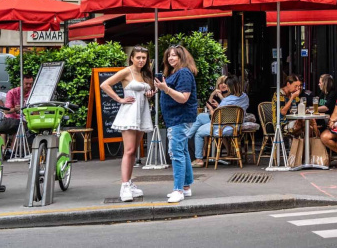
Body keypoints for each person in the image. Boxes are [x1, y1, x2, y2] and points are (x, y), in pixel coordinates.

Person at [101, 46, 155, 202]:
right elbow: (105, 84)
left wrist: (150, 94)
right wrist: (119, 99)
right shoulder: (127, 71)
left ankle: (129, 182)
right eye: (138, 57)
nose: (141, 60)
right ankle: (124, 185)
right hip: (129, 114)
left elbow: (147, 92)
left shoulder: (146, 73)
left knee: (134, 150)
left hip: (142, 113)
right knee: (129, 150)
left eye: (144, 58)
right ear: (131, 58)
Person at [155, 45, 198, 204]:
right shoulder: (176, 73)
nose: (171, 58)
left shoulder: (184, 73)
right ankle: (186, 187)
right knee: (183, 151)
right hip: (176, 118)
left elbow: (183, 98)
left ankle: (178, 190)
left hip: (180, 118)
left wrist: (165, 89)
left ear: (182, 57)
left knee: (176, 153)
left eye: (174, 56)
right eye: (169, 56)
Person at [188, 75, 248, 167]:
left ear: (230, 86)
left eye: (227, 85)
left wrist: (211, 109)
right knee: (201, 117)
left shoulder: (227, 100)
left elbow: (217, 118)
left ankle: (199, 159)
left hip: (223, 127)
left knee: (199, 132)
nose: (225, 87)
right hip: (236, 125)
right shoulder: (245, 97)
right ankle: (187, 137)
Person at [0, 74, 33, 139]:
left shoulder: (32, 93)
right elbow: (6, 111)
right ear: (21, 83)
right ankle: (8, 147)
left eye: (30, 84)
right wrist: (14, 109)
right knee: (18, 124)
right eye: (26, 84)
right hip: (13, 118)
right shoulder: (12, 92)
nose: (29, 86)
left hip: (28, 118)